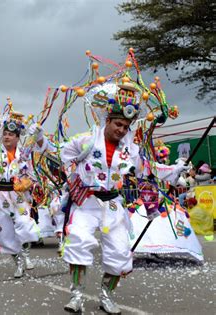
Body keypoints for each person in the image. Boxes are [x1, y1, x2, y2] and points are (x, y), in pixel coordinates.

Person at [59, 80, 190, 314]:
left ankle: (106, 296)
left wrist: (172, 171)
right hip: (86, 201)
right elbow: (64, 155)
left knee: (120, 252)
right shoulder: (85, 141)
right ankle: (76, 296)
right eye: (118, 124)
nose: (121, 130)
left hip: (112, 204)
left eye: (125, 127)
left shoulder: (130, 149)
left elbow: (145, 170)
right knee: (78, 241)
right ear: (107, 120)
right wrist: (74, 178)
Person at [0, 110, 50, 278]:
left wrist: (28, 183)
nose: (7, 137)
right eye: (5, 134)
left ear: (18, 138)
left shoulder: (24, 154)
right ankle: (18, 262)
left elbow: (31, 174)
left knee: (25, 225)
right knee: (5, 234)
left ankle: (25, 254)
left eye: (11, 135)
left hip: (18, 197)